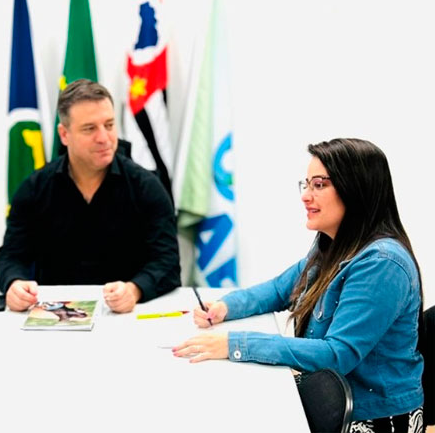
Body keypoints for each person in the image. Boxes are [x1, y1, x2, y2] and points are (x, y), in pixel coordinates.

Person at [174, 138, 424, 431]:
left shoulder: (382, 264)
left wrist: (235, 344)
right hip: (329, 399)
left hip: (373, 418)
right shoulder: (335, 244)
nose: (305, 196)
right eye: (306, 184)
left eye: (319, 185)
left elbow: (336, 355)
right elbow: (279, 289)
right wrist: (225, 307)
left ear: (355, 188)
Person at [0, 79, 180, 313]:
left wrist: (135, 290)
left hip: (126, 316)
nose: (104, 138)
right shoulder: (34, 188)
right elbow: (11, 258)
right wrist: (14, 284)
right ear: (64, 134)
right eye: (90, 128)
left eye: (109, 125)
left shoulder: (147, 186)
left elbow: (168, 262)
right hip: (55, 316)